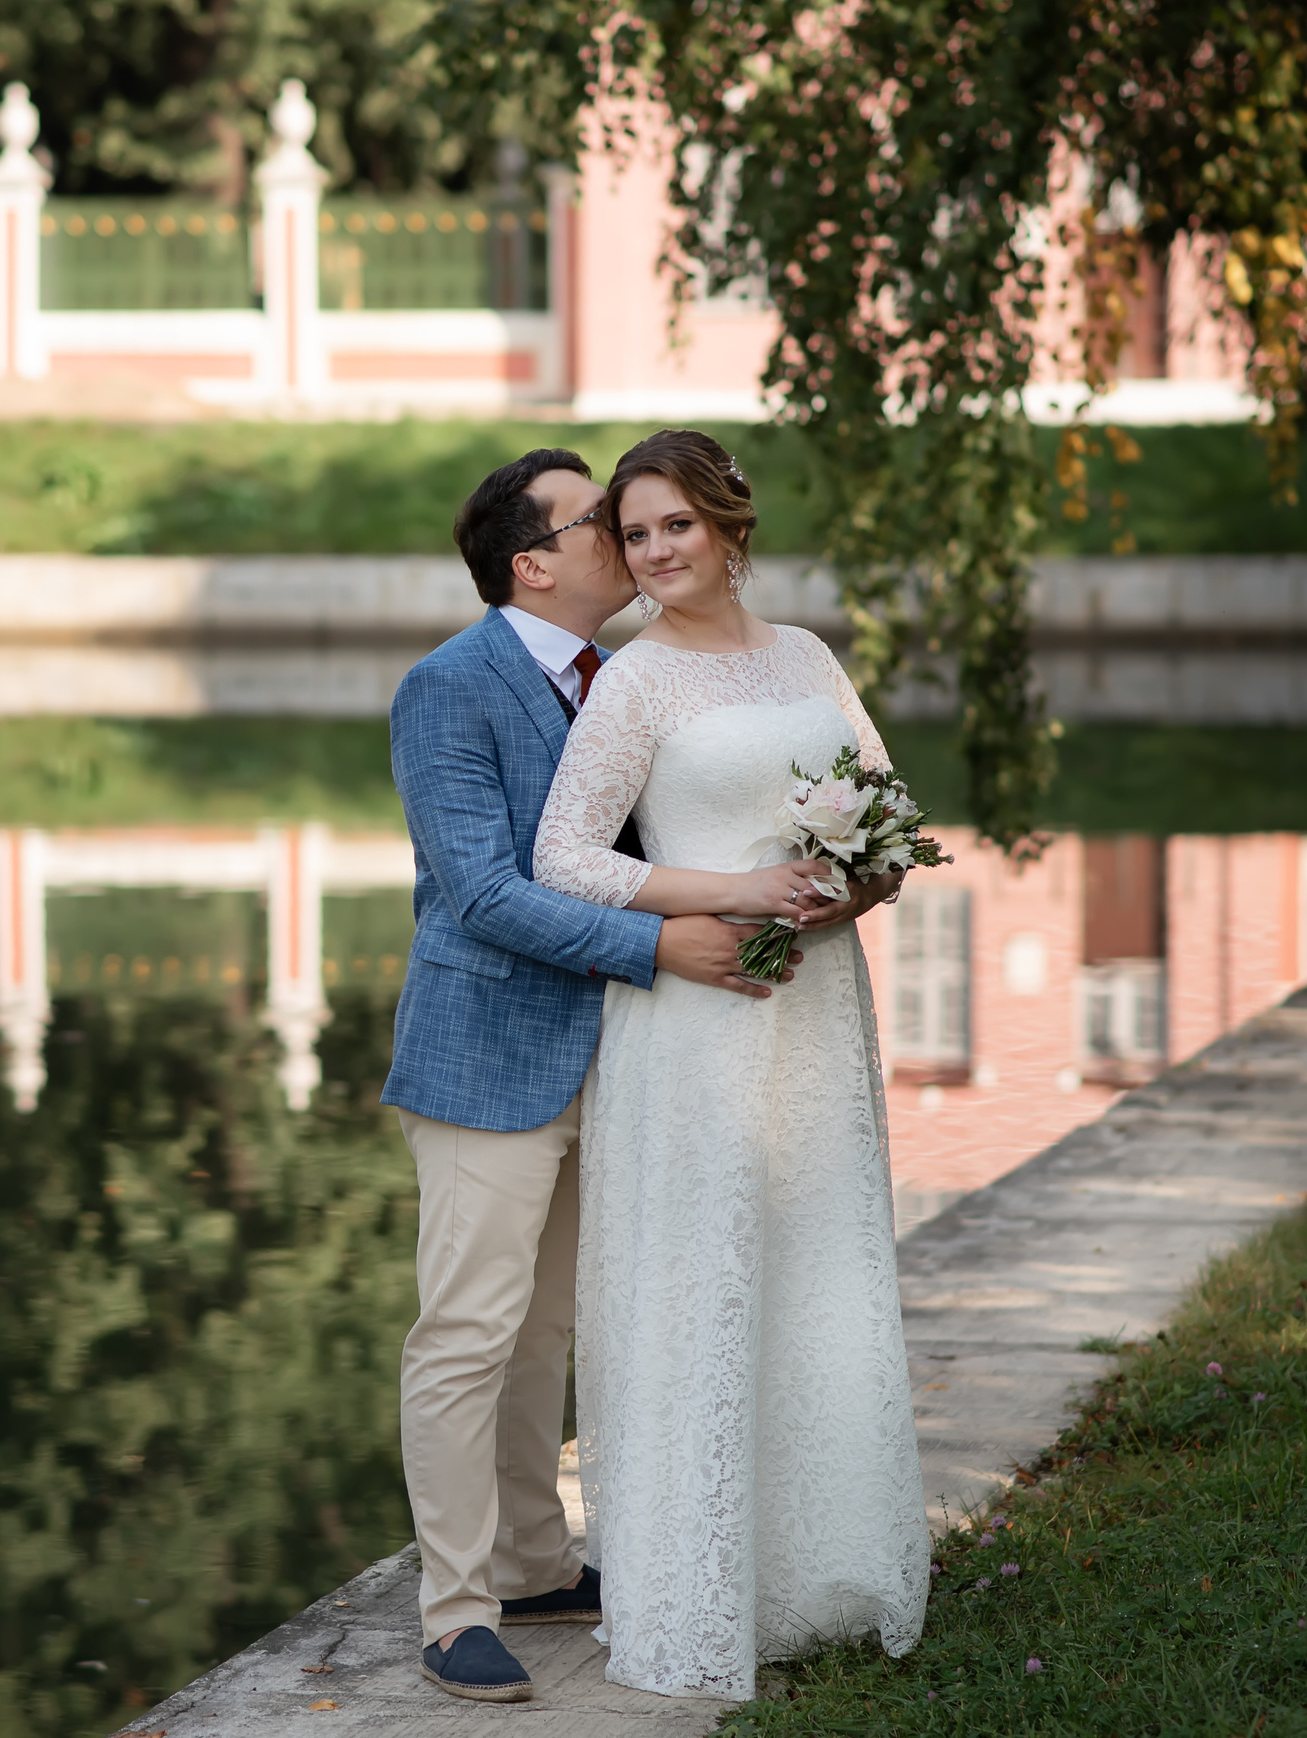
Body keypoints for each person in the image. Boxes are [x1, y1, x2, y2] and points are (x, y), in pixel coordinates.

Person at [383, 447, 840, 1703]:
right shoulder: (449, 688)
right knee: (469, 1332)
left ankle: (536, 1560)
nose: (629, 537)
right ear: (533, 563)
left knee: (556, 1329)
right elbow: (480, 891)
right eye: (599, 520)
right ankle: (453, 1606)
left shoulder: (635, 674)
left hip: (634, 1057)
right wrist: (659, 945)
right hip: (487, 1053)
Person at [531, 428, 930, 1700]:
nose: (654, 553)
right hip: (696, 1016)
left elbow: (886, 816)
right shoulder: (634, 682)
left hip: (813, 1004)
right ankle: (694, 1588)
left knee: (813, 1263)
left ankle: (816, 1574)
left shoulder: (807, 657)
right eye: (634, 535)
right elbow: (566, 859)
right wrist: (736, 889)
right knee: (701, 1279)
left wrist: (847, 892)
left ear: (728, 524)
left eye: (673, 527)